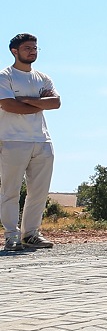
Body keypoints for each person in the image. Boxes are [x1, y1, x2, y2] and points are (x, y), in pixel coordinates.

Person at [0, 33, 60, 253]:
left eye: (35, 48)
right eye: (27, 48)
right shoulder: (4, 77)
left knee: (39, 191)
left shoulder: (43, 77)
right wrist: (39, 103)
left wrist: (26, 100)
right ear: (14, 51)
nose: (32, 51)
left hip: (42, 140)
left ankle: (31, 234)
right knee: (10, 191)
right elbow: (8, 106)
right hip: (12, 140)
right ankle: (11, 236)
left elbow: (55, 102)